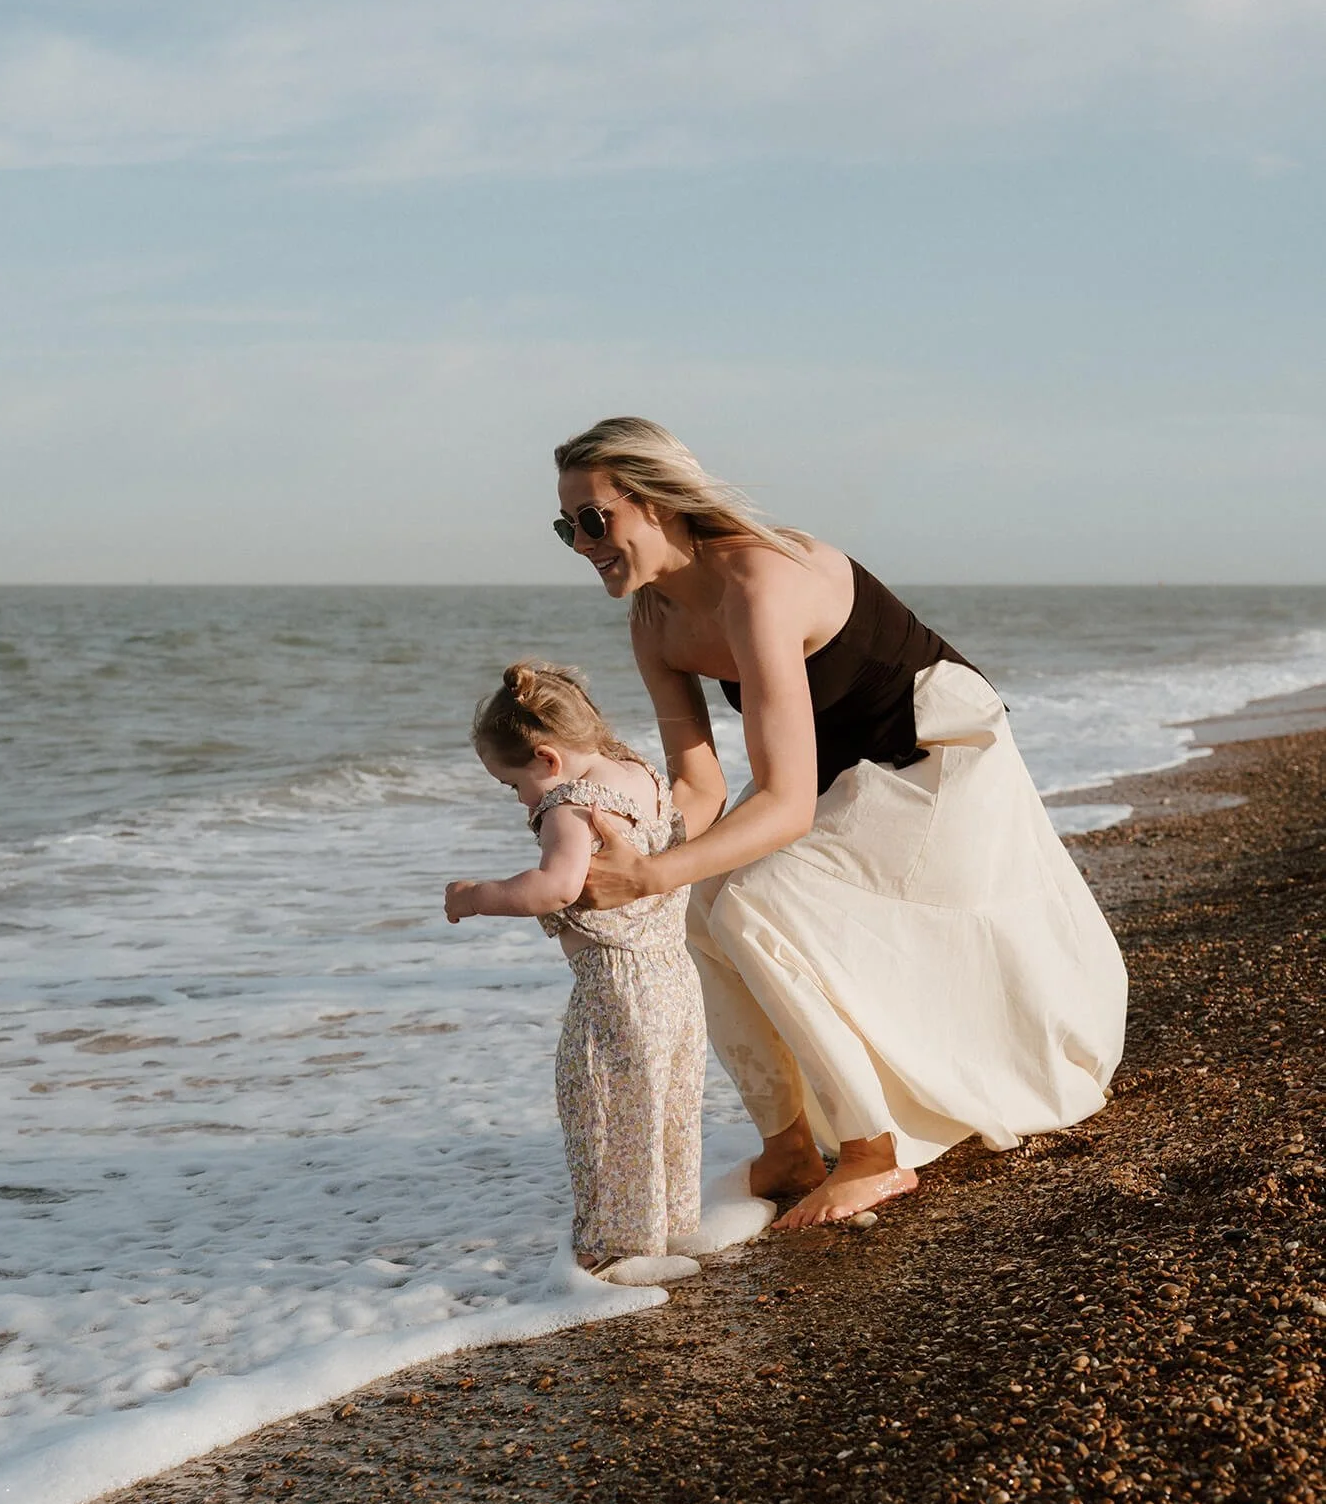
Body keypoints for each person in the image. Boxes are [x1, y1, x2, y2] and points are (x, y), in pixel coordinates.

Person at [550, 417, 1127, 1229]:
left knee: (751, 900)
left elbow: (782, 804)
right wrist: (630, 859)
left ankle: (870, 1154)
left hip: (934, 755)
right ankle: (787, 1144)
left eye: (592, 520)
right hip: (835, 774)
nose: (581, 544)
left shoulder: (758, 582)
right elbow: (700, 782)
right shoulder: (656, 621)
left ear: (654, 502)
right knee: (694, 903)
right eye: (564, 527)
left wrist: (650, 872)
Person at [444, 661, 709, 1286]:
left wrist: (477, 896)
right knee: (664, 1103)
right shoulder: (638, 772)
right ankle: (666, 1222)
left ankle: (614, 1246)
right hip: (674, 972)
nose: (520, 801)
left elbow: (555, 888)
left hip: (617, 985)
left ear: (546, 758)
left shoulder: (570, 804)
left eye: (513, 785)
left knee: (603, 1105)